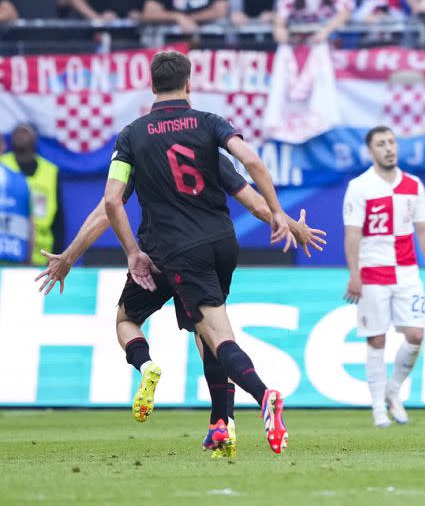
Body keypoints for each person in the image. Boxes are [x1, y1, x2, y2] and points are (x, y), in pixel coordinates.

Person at [35, 154, 325, 458]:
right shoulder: (205, 140)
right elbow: (253, 200)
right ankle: (228, 422)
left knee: (126, 320)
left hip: (159, 256)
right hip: (205, 255)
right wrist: (294, 227)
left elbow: (107, 208)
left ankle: (147, 365)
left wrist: (69, 256)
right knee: (213, 338)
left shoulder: (138, 147)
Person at [103, 51, 300, 454]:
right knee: (205, 331)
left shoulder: (133, 136)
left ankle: (263, 396)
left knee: (210, 332)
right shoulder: (209, 125)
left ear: (151, 84)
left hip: (175, 250)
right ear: (189, 84)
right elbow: (251, 166)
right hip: (223, 244)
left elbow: (111, 202)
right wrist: (280, 215)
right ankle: (219, 425)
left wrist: (131, 252)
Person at [342, 126, 425, 428]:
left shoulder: (413, 184)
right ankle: (376, 406)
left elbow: (424, 229)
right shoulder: (360, 186)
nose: (388, 148)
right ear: (370, 151)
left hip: (407, 271)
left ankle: (393, 390)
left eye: (391, 142)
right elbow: (352, 233)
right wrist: (354, 274)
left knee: (416, 335)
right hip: (373, 272)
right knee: (376, 338)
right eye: (381, 144)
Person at [0, 124, 63, 266]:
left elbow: (59, 220)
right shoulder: (3, 165)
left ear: (35, 138)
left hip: (42, 256)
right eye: (17, 132)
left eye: (25, 132)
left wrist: (55, 257)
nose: (20, 136)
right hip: (9, 252)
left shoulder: (50, 171)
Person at [0, 136, 31, 265]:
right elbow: (30, 225)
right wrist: (28, 261)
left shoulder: (21, 181)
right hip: (15, 256)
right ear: (3, 147)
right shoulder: (20, 180)